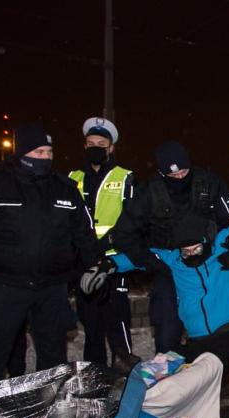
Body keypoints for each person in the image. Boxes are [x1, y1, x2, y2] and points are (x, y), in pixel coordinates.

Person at [0, 123, 108, 385]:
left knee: (53, 356)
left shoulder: (64, 187)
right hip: (6, 284)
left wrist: (97, 264)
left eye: (49, 152)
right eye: (38, 152)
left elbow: (84, 233)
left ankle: (49, 409)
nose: (45, 158)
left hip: (52, 287)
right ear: (22, 153)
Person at [112, 140, 229, 353]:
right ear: (162, 174)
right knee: (167, 329)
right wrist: (151, 262)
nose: (180, 177)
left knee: (217, 336)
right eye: (173, 176)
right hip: (169, 268)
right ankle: (169, 376)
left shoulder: (209, 184)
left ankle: (210, 370)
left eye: (184, 171)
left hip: (208, 267)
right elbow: (124, 235)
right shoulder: (148, 193)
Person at [107, 216, 229, 367]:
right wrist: (109, 264)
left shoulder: (221, 247)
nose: (192, 254)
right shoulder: (175, 260)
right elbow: (140, 256)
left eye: (197, 249)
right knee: (180, 370)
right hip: (196, 334)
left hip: (225, 328)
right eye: (186, 251)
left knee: (210, 370)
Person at [68, 117, 139, 373]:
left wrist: (106, 245)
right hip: (83, 265)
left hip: (112, 264)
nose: (96, 147)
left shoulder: (125, 177)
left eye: (101, 143)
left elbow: (132, 221)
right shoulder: (72, 177)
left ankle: (125, 379)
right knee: (91, 328)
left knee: (118, 325)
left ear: (111, 148)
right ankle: (94, 381)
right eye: (90, 143)